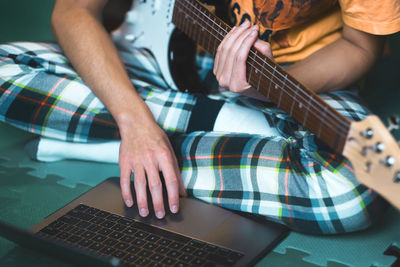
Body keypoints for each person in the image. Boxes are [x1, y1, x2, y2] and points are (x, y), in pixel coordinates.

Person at [0, 0, 399, 234]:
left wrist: (270, 87)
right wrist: (135, 124)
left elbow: (358, 46)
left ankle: (119, 145)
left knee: (359, 187)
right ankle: (220, 123)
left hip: (298, 74)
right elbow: (73, 10)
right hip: (157, 44)